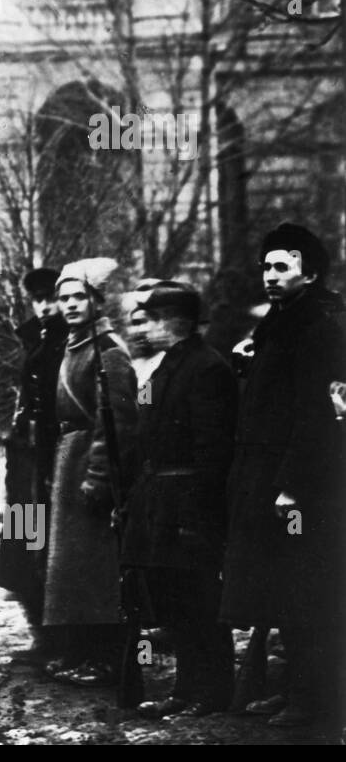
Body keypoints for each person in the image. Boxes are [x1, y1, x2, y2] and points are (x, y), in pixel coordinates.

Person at [221, 223, 345, 729]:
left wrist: (292, 486)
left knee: (307, 587)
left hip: (300, 491)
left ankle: (316, 700)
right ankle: (294, 689)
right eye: (266, 268)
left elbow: (317, 415)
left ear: (309, 274)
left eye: (281, 267)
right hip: (267, 480)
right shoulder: (278, 324)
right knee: (281, 584)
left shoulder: (321, 328)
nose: (269, 277)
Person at [121, 283, 237, 719]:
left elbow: (214, 450)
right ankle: (186, 690)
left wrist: (197, 514)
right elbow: (144, 430)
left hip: (190, 505)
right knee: (174, 602)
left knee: (202, 601)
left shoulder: (207, 368)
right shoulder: (165, 366)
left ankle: (213, 693)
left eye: (151, 318)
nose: (144, 326)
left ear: (175, 321)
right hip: (160, 501)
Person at [41, 257, 139, 688]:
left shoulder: (109, 352)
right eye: (63, 298)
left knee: (97, 571)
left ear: (97, 301)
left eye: (79, 296)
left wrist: (98, 477)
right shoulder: (75, 346)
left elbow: (115, 422)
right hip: (70, 461)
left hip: (90, 468)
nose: (70, 305)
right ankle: (81, 653)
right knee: (73, 572)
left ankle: (105, 660)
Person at [0, 267, 67, 666]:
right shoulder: (35, 340)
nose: (44, 306)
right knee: (23, 544)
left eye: (50, 297)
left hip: (47, 459)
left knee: (46, 550)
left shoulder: (65, 341)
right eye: (38, 299)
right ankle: (41, 635)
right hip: (24, 460)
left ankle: (59, 641)